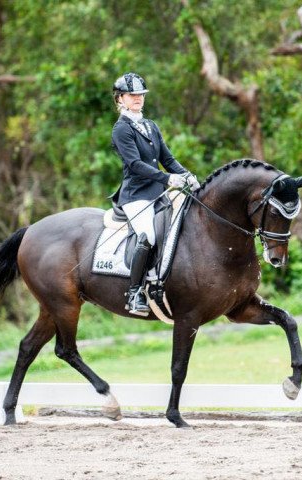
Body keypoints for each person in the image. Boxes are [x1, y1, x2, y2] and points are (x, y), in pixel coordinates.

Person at [111, 72, 200, 314]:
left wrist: (188, 176)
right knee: (148, 235)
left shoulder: (150, 126)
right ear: (121, 99)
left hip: (159, 192)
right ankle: (135, 293)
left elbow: (167, 159)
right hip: (136, 195)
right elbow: (135, 165)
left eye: (141, 94)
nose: (138, 98)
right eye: (133, 95)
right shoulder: (121, 129)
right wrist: (168, 178)